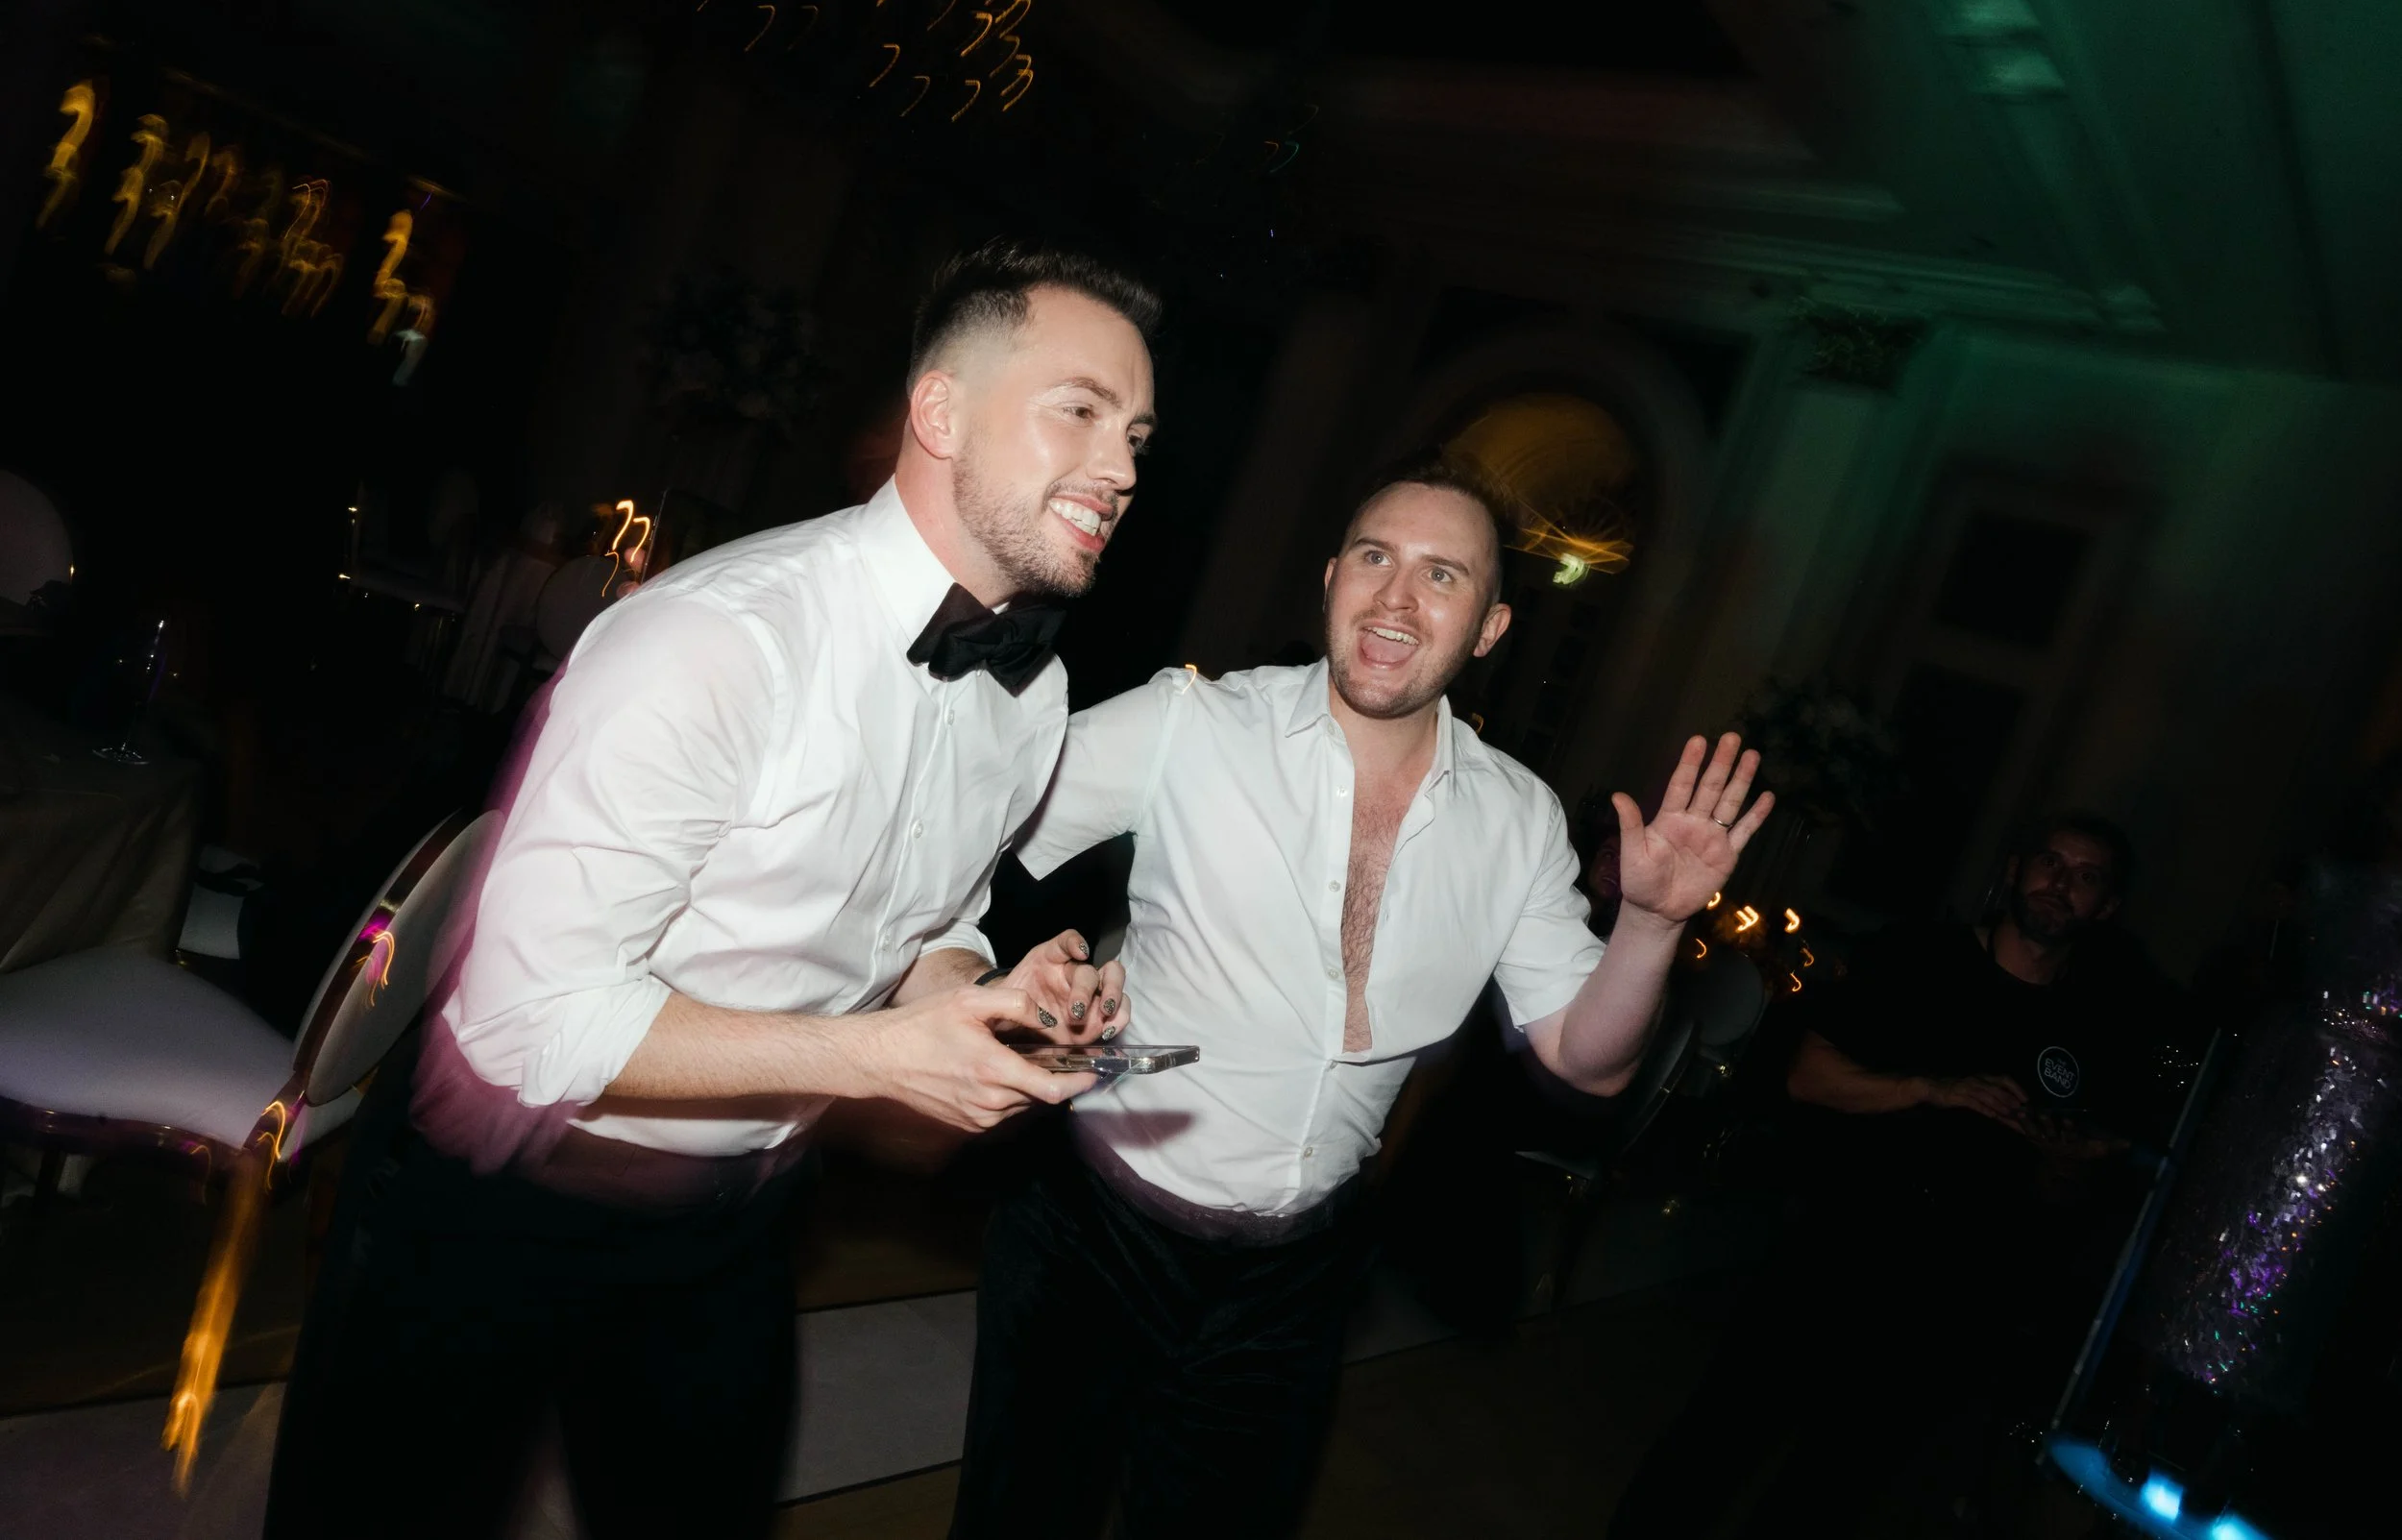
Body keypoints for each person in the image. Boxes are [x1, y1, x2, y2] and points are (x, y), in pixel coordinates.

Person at [265, 242, 1161, 1540]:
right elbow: (530, 1024)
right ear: (940, 410)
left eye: (1136, 435)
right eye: (1080, 409)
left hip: (738, 1220)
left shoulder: (1034, 690)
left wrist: (980, 989)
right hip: (495, 1201)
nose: (1121, 467)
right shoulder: (719, 639)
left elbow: (934, 916)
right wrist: (880, 1057)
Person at [948, 456, 1775, 1540]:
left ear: (1489, 628)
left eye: (1442, 575)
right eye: (1375, 557)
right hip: (1092, 1237)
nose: (1396, 596)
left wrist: (1653, 924)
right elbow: (962, 825)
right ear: (1332, 578)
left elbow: (1588, 1057)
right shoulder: (1193, 723)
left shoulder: (1518, 820)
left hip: (1297, 1278)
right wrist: (980, 973)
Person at [1608, 811, 2178, 1538]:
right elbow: (1808, 1076)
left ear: (2107, 906)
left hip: (1954, 1298)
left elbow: (2062, 1197)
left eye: (2086, 876)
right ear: (2014, 870)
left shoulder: (2095, 1030)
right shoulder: (1919, 958)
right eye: (2050, 862)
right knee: (1722, 1434)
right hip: (1840, 1245)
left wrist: (2067, 1163)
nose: (2060, 883)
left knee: (1836, 1482)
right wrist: (1930, 1089)